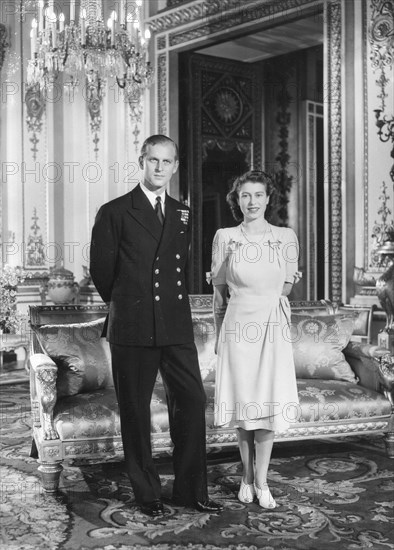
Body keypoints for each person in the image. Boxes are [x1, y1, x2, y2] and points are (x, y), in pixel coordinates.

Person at [90, 134, 223, 517]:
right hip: (132, 327)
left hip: (175, 326)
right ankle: (147, 494)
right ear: (142, 161)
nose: (160, 168)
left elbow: (180, 268)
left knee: (193, 401)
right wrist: (130, 306)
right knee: (135, 411)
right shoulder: (115, 211)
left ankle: (189, 490)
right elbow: (102, 273)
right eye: (153, 161)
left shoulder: (182, 212)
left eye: (167, 162)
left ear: (175, 166)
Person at [211, 170, 300, 509]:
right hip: (236, 329)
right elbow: (219, 295)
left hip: (272, 327)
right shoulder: (224, 237)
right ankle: (246, 477)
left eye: (258, 195)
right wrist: (220, 337)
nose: (252, 201)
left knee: (267, 407)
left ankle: (262, 481)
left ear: (267, 199)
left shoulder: (286, 237)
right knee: (245, 408)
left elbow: (286, 287)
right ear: (237, 200)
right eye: (245, 195)